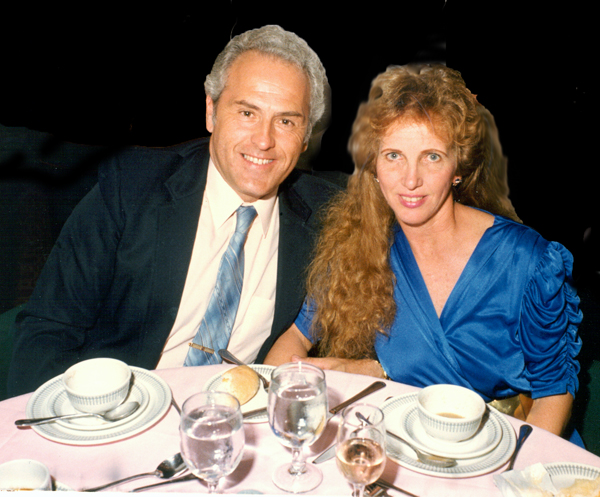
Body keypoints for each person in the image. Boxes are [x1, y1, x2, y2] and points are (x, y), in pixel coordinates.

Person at [7, 25, 343, 396]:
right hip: (117, 418)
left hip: (238, 427)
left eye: (286, 121)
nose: (264, 140)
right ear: (211, 111)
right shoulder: (129, 190)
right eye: (247, 113)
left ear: (306, 135)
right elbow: (47, 331)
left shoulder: (327, 215)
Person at [265, 64, 583, 441]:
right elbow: (297, 339)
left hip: (511, 446)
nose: (410, 179)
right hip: (408, 444)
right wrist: (276, 410)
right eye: (394, 155)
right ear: (376, 166)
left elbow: (553, 390)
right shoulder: (362, 248)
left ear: (457, 167)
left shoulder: (525, 262)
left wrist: (516, 472)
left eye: (431, 156)